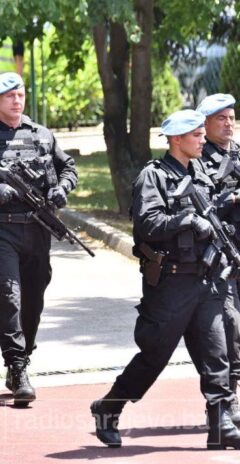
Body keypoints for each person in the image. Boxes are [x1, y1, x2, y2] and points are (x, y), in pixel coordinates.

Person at [91, 109, 240, 450]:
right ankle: (108, 409)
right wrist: (186, 221)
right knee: (153, 357)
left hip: (206, 279)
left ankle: (220, 425)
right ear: (176, 140)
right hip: (171, 285)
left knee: (216, 352)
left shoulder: (202, 171)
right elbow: (148, 224)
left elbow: (215, 210)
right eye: (197, 135)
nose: (204, 139)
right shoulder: (153, 176)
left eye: (203, 133)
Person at [0, 72, 76, 405]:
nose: (17, 100)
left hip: (38, 228)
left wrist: (62, 188)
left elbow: (68, 168)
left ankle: (24, 355)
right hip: (1, 229)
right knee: (9, 297)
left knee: (33, 299)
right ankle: (16, 364)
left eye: (21, 94)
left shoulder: (42, 135)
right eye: (9, 96)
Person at [197, 93, 240, 423]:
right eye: (221, 118)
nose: (229, 123)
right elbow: (199, 203)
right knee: (229, 327)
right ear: (206, 124)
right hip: (220, 259)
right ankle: (228, 401)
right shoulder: (197, 159)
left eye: (231, 117)